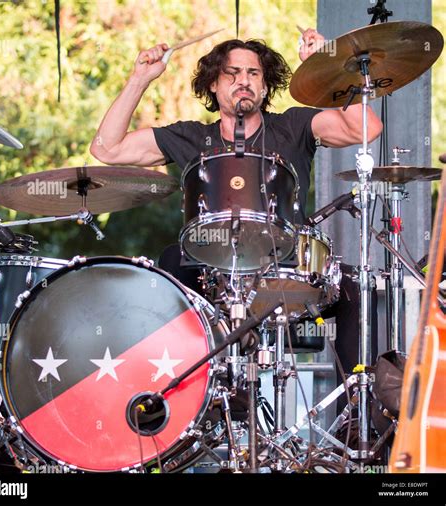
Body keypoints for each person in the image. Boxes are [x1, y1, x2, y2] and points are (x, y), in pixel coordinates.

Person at [90, 29, 382, 401]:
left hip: (286, 263)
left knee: (354, 287)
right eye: (231, 73)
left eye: (253, 74)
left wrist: (325, 67)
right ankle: (175, 404)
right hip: (209, 266)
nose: (243, 81)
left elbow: (368, 129)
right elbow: (106, 149)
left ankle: (356, 417)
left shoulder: (293, 126)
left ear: (265, 86)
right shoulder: (191, 137)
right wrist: (139, 80)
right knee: (166, 266)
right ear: (213, 84)